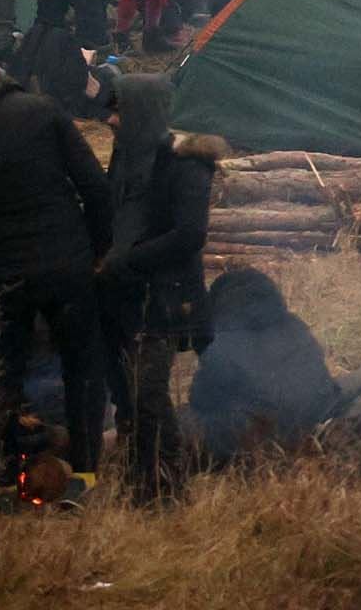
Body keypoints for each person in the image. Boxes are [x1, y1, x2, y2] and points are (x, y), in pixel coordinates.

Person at [0, 40, 114, 490]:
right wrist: (94, 249)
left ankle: (6, 480)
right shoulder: (43, 111)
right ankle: (84, 476)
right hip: (69, 266)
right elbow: (96, 187)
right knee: (82, 371)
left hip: (4, 277)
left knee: (3, 380)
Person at [98, 74, 216, 501]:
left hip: (165, 296)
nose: (111, 120)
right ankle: (142, 476)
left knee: (148, 395)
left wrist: (129, 259)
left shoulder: (185, 164)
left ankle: (166, 485)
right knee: (129, 397)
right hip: (123, 294)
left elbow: (189, 235)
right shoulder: (127, 158)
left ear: (142, 113)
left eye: (119, 111)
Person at [186, 268, 338, 465]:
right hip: (312, 421)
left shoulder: (225, 339)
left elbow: (201, 399)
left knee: (181, 422)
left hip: (257, 434)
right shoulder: (294, 326)